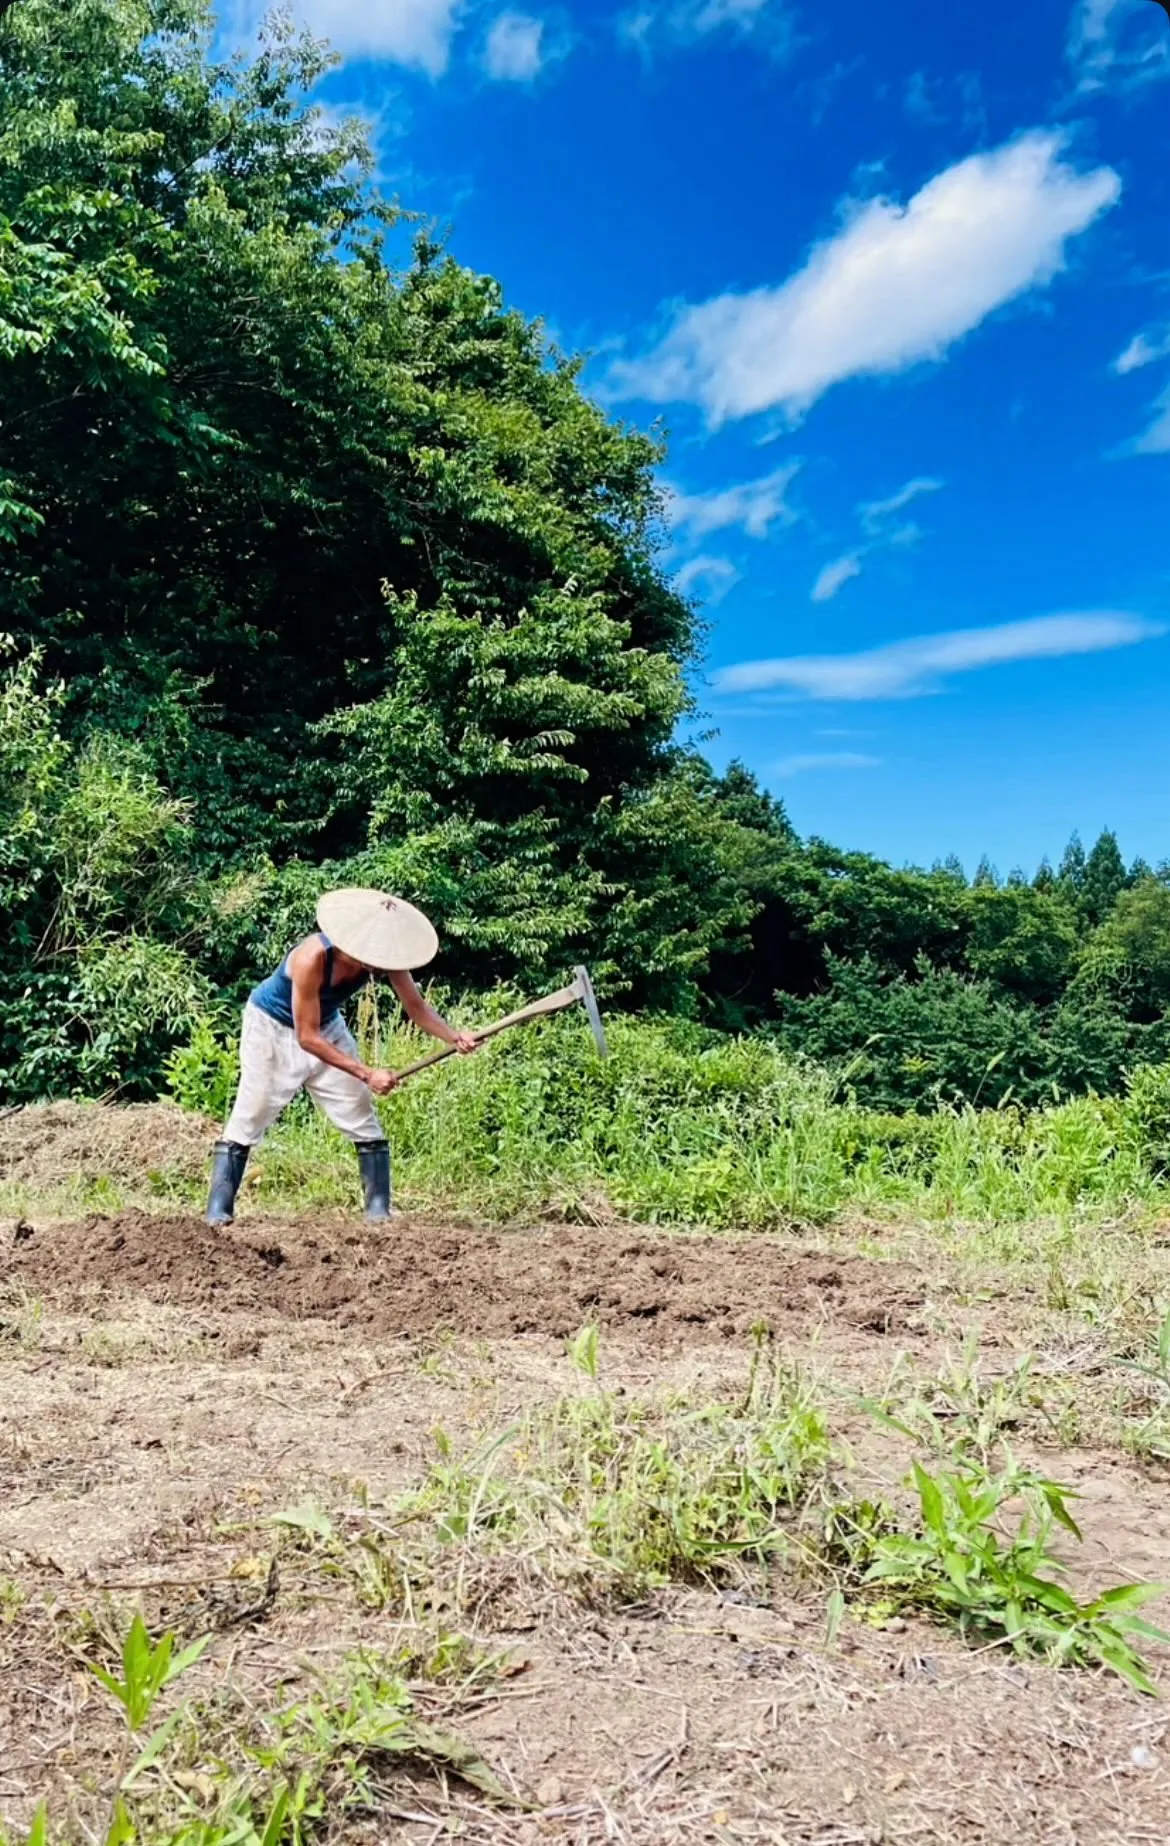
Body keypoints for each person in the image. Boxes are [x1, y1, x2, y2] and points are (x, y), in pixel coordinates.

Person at [206, 888, 477, 1227]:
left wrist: (455, 1037)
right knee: (252, 1111)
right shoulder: (311, 957)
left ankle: (378, 1211)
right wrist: (367, 1073)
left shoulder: (385, 960)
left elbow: (416, 1006)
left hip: (327, 1025)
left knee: (359, 1112)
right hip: (272, 1029)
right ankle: (219, 1211)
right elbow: (307, 1037)